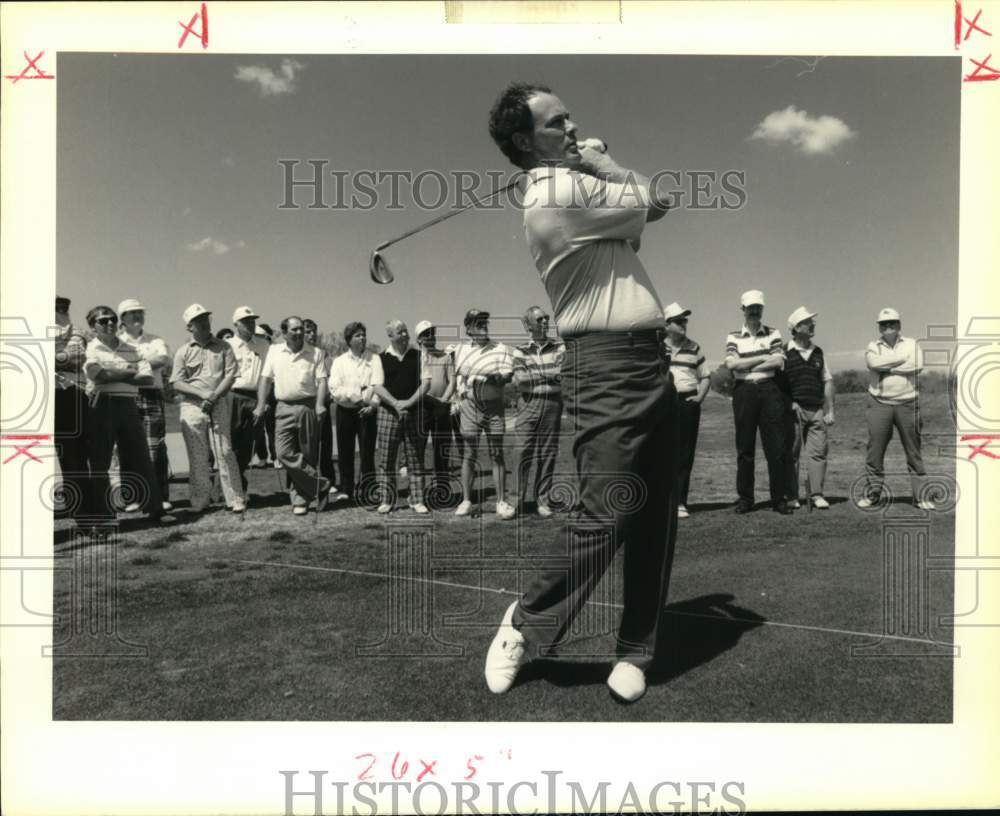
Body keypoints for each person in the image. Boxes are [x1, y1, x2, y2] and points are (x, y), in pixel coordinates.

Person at [484, 82, 677, 702]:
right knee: (606, 510)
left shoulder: (575, 187)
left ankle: (635, 651)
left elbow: (645, 212)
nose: (570, 128)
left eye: (571, 118)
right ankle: (526, 623)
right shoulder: (558, 192)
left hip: (650, 357)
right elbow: (661, 199)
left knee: (653, 514)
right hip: (604, 362)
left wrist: (595, 168)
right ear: (523, 141)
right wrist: (599, 161)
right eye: (555, 123)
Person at [83, 305, 169, 526]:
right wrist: (130, 372)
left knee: (141, 457)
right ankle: (102, 515)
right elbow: (97, 375)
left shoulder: (131, 348)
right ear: (93, 326)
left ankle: (155, 509)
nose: (110, 323)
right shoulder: (92, 348)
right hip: (101, 406)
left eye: (112, 319)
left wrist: (115, 374)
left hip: (128, 405)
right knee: (100, 462)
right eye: (103, 321)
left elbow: (147, 379)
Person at [170, 304, 244, 514]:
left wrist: (213, 396)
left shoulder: (224, 346)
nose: (204, 322)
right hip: (192, 406)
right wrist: (203, 395)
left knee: (225, 451)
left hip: (218, 402)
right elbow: (176, 382)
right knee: (197, 455)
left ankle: (235, 498)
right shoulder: (183, 351)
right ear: (189, 327)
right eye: (198, 320)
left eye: (206, 318)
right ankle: (201, 499)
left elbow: (230, 375)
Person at [725, 290, 792, 515]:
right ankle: (745, 498)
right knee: (745, 447)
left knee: (776, 446)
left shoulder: (773, 333)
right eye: (750, 308)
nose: (754, 311)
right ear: (743, 310)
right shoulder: (733, 336)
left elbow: (778, 362)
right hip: (744, 392)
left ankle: (778, 498)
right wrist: (763, 358)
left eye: (758, 307)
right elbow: (732, 366)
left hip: (769, 390)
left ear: (762, 309)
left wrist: (748, 364)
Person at [859, 307, 934, 510]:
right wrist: (901, 361)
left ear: (899, 325)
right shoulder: (872, 345)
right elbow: (874, 363)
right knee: (875, 451)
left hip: (908, 403)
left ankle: (921, 497)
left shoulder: (911, 343)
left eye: (892, 323)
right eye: (884, 324)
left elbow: (917, 365)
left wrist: (888, 367)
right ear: (879, 327)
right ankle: (873, 494)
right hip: (879, 402)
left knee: (913, 450)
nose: (888, 327)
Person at [255, 316, 330, 515]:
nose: (298, 333)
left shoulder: (316, 353)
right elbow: (265, 380)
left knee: (307, 454)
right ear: (284, 332)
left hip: (308, 406)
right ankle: (321, 486)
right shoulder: (274, 351)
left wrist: (321, 404)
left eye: (301, 330)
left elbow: (322, 381)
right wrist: (261, 404)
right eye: (294, 329)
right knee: (283, 452)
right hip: (283, 407)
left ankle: (300, 501)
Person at [452, 309, 516, 519]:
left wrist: (488, 378)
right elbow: (458, 376)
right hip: (470, 405)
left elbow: (506, 377)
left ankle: (501, 502)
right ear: (469, 328)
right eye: (478, 323)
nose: (483, 326)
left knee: (496, 453)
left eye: (485, 322)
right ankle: (466, 500)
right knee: (469, 453)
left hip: (494, 406)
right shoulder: (460, 349)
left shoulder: (500, 348)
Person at [116, 298, 172, 513]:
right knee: (127, 447)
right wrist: (143, 363)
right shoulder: (116, 342)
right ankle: (132, 497)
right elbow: (112, 363)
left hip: (151, 394)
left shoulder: (155, 339)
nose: (138, 316)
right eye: (132, 313)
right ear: (123, 318)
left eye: (140, 312)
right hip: (125, 395)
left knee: (155, 447)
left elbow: (162, 360)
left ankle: (159, 497)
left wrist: (131, 364)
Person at [372, 320, 430, 514]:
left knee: (415, 458)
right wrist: (397, 404)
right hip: (388, 413)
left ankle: (417, 499)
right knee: (387, 458)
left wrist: (408, 403)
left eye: (406, 331)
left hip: (414, 411)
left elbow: (426, 384)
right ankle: (387, 500)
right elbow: (378, 387)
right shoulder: (379, 358)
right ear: (390, 336)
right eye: (400, 332)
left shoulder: (420, 356)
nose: (405, 335)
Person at [511, 305, 564, 518]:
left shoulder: (559, 347)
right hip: (528, 403)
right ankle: (516, 501)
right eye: (540, 319)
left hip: (552, 403)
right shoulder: (520, 350)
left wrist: (534, 374)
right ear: (528, 325)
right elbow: (520, 382)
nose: (545, 321)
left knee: (547, 452)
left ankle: (543, 500)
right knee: (522, 451)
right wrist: (548, 374)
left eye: (546, 318)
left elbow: (563, 375)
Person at [780, 306, 835, 510]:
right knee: (791, 453)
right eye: (807, 323)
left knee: (818, 452)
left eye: (812, 322)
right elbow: (779, 384)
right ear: (796, 328)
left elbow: (827, 381)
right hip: (794, 410)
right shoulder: (784, 351)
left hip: (817, 409)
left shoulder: (818, 352)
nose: (812, 326)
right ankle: (792, 495)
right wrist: (789, 402)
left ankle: (817, 494)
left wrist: (830, 409)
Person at [663, 302, 710, 519]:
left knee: (684, 454)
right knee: (661, 454)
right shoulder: (657, 348)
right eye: (679, 321)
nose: (684, 324)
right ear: (667, 324)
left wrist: (699, 398)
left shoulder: (695, 347)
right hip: (662, 404)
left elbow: (705, 376)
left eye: (685, 320)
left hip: (687, 402)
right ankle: (662, 502)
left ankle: (680, 502)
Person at [329, 321, 381, 505]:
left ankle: (368, 488)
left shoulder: (374, 359)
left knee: (367, 452)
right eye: (358, 335)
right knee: (345, 451)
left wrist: (373, 405)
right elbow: (335, 388)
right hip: (346, 411)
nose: (362, 338)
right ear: (349, 340)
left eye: (364, 334)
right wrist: (354, 397)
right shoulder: (339, 362)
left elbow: (378, 385)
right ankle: (346, 488)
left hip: (368, 411)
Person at [54, 296, 93, 523]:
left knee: (75, 458)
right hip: (43, 397)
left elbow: (76, 357)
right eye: (57, 307)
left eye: (63, 308)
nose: (61, 311)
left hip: (71, 395)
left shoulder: (76, 330)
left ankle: (85, 516)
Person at [227, 306, 271, 502]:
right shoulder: (226, 345)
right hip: (232, 396)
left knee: (250, 442)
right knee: (230, 443)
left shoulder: (263, 345)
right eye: (246, 322)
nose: (251, 324)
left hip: (255, 396)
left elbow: (268, 376)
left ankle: (239, 481)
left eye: (253, 321)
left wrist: (264, 401)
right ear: (236, 324)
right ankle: (232, 487)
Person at [414, 320, 458, 508]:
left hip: (442, 408)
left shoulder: (445, 357)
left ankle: (442, 492)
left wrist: (443, 401)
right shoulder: (415, 358)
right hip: (422, 408)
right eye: (425, 334)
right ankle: (417, 494)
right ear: (419, 339)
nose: (430, 337)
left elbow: (452, 381)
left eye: (432, 333)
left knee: (442, 451)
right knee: (418, 452)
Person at [254, 323, 279, 468]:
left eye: (260, 336)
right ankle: (262, 456)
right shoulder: (253, 350)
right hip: (255, 390)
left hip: (271, 390)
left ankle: (276, 457)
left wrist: (267, 399)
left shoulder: (272, 350)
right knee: (257, 428)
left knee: (272, 427)